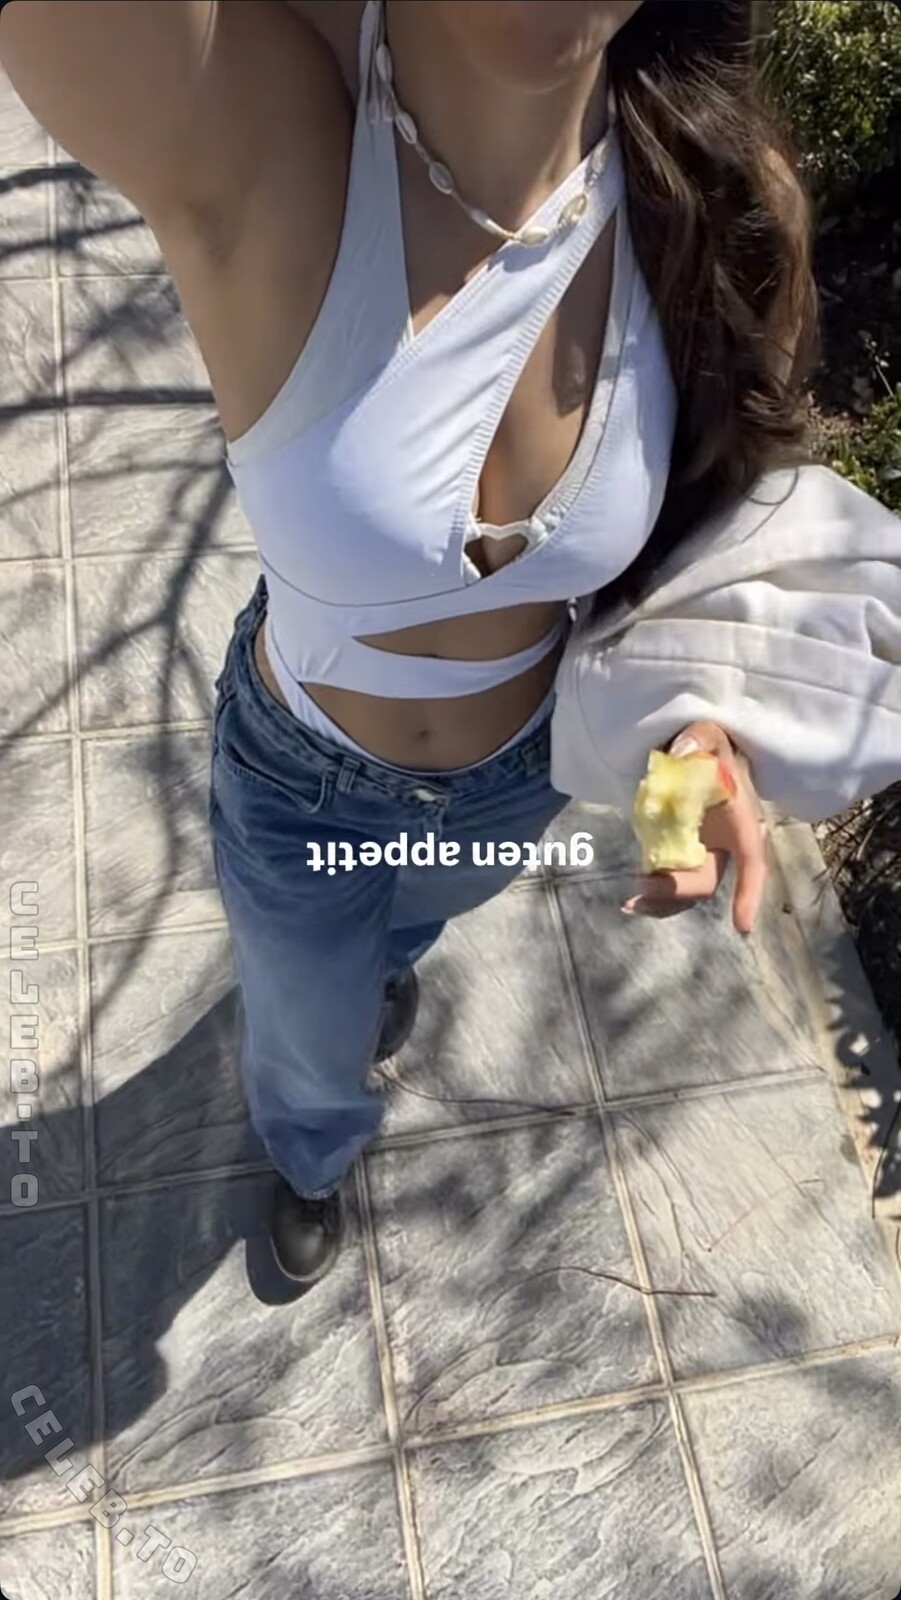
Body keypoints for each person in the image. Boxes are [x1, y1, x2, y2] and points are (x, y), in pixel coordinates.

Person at [0, 0, 816, 1294]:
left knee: (400, 934)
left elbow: (696, 554)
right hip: (304, 785)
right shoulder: (259, 126)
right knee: (307, 1035)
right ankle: (313, 1155)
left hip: (517, 780)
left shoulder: (708, 182)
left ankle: (382, 967)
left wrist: (689, 750)